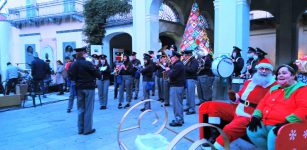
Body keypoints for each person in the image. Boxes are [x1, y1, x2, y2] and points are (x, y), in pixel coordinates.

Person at [199, 58, 277, 149]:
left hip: (250, 114)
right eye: (261, 68)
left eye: (266, 69)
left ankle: (216, 147)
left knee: (229, 128)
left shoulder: (274, 86)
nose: (263, 71)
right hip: (238, 107)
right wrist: (234, 96)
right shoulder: (250, 81)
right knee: (212, 106)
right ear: (257, 69)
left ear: (271, 71)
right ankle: (214, 135)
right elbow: (240, 95)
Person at [247, 64, 307, 150]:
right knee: (252, 131)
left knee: (274, 135)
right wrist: (256, 116)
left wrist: (286, 123)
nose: (280, 75)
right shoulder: (274, 88)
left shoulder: (302, 89)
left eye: (284, 73)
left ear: (293, 76)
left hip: (287, 125)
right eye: (279, 73)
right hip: (266, 123)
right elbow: (262, 103)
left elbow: (304, 109)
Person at [69, 47, 100, 135]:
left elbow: (71, 76)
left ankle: (80, 129)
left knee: (80, 109)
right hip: (89, 88)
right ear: (83, 54)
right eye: (86, 53)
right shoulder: (88, 63)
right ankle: (87, 130)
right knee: (89, 109)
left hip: (79, 88)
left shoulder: (73, 64)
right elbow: (97, 74)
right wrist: (95, 65)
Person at [165, 51, 185, 127]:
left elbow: (172, 75)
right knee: (178, 104)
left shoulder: (178, 65)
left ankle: (178, 120)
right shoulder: (177, 64)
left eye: (171, 57)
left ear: (176, 57)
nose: (170, 58)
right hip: (177, 86)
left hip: (177, 86)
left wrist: (168, 70)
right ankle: (180, 118)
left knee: (176, 104)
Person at [183, 50, 198, 115]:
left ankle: (192, 109)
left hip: (191, 79)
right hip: (186, 78)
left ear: (189, 55)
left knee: (191, 95)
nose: (185, 57)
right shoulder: (187, 61)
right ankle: (188, 106)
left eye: (186, 56)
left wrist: (184, 67)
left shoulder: (194, 61)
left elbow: (192, 70)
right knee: (187, 94)